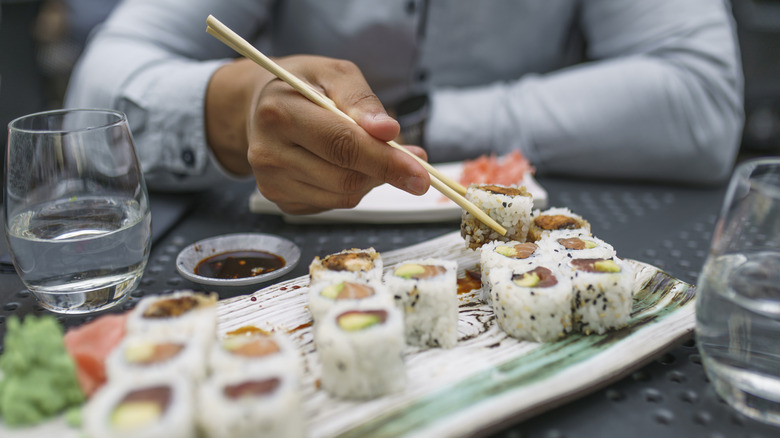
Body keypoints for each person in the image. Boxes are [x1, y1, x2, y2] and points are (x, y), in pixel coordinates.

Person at [64, 0, 744, 215]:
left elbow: (703, 97)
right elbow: (93, 92)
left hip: (543, 226)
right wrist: (226, 109)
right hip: (295, 237)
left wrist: (419, 123)